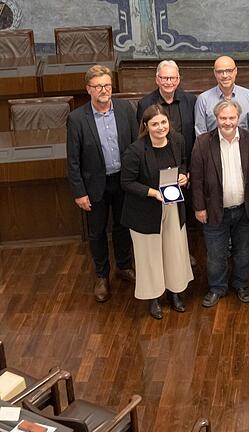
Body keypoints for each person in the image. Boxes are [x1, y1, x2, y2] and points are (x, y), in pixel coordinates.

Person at [66, 64, 138, 302]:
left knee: (122, 226)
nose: (103, 90)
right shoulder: (77, 119)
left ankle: (124, 266)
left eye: (107, 85)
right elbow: (73, 160)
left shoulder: (125, 109)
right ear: (88, 89)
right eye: (98, 86)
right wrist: (79, 192)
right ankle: (101, 276)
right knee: (97, 233)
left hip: (123, 181)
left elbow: (136, 147)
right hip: (94, 185)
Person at [121, 104, 193, 319]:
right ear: (146, 125)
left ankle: (174, 293)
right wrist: (152, 193)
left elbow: (182, 163)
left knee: (174, 252)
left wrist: (184, 176)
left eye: (163, 122)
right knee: (150, 257)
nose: (160, 127)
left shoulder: (177, 141)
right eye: (155, 124)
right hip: (145, 212)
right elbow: (126, 182)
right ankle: (154, 298)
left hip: (172, 207)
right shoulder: (135, 150)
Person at [190, 100, 249, 308]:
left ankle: (241, 284)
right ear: (216, 119)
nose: (227, 122)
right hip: (213, 210)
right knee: (215, 254)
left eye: (231, 118)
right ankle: (217, 288)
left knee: (243, 251)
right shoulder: (203, 142)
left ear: (238, 118)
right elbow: (196, 179)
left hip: (244, 208)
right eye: (223, 118)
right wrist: (199, 207)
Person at [137, 59, 199, 266]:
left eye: (172, 77)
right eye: (164, 78)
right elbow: (142, 140)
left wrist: (188, 171)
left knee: (186, 215)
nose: (168, 82)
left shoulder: (191, 101)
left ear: (179, 79)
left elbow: (194, 137)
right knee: (163, 217)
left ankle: (183, 254)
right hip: (157, 173)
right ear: (157, 79)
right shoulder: (145, 104)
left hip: (185, 170)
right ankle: (164, 256)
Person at [194, 56, 249, 135]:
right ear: (215, 73)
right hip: (212, 146)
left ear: (235, 71)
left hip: (242, 146)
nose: (225, 75)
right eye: (220, 72)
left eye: (229, 71)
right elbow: (201, 134)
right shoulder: (203, 99)